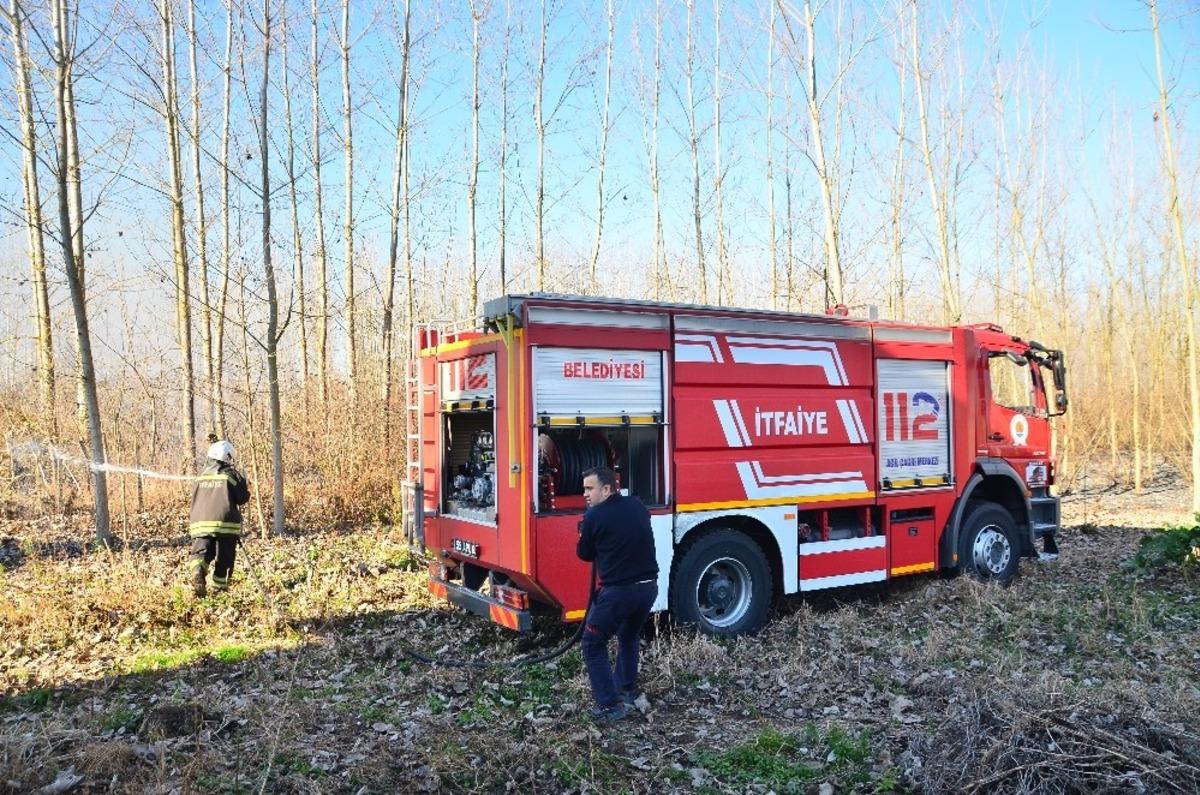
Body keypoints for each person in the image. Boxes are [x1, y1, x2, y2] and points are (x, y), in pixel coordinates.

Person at [576, 466, 658, 723]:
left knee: (592, 644)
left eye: (590, 489)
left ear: (607, 488)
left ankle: (610, 705)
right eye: (584, 489)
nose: (585, 494)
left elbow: (584, 554)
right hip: (648, 588)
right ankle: (626, 689)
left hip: (619, 593)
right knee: (629, 635)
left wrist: (585, 531)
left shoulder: (594, 516)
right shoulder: (637, 505)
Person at [188, 439, 250, 597]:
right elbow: (243, 497)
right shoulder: (230, 475)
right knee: (225, 557)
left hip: (200, 523)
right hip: (225, 524)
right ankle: (219, 590)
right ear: (228, 457)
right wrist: (242, 479)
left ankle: (198, 571)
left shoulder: (200, 476)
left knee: (201, 553)